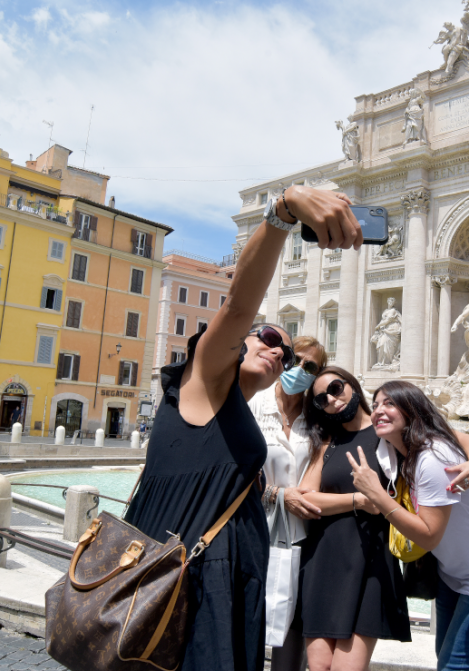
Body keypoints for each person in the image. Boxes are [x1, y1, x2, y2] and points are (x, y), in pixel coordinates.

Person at [123, 185, 363, 671]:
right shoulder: (204, 381)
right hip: (186, 583)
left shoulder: (233, 404)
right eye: (270, 338)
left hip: (219, 583)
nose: (280, 353)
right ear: (238, 342)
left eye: (289, 355)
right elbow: (237, 305)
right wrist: (283, 212)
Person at [295, 368, 469, 671]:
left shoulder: (388, 429)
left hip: (370, 559)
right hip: (323, 557)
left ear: (352, 385)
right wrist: (361, 501)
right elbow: (306, 497)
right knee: (318, 666)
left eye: (335, 387)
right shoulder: (328, 441)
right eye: (321, 399)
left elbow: (459, 438)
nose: (332, 399)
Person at [349, 381, 469, 671]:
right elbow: (465, 437)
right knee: (444, 655)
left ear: (412, 411)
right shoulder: (397, 447)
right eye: (377, 403)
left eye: (390, 403)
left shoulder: (431, 457)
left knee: (453, 664)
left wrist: (378, 496)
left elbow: (430, 536)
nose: (380, 410)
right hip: (452, 570)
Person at [248, 335, 328, 671]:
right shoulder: (253, 403)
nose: (300, 370)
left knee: (292, 627)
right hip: (252, 530)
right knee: (248, 618)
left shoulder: (320, 418)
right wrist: (278, 494)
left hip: (304, 538)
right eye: (296, 361)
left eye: (310, 367)